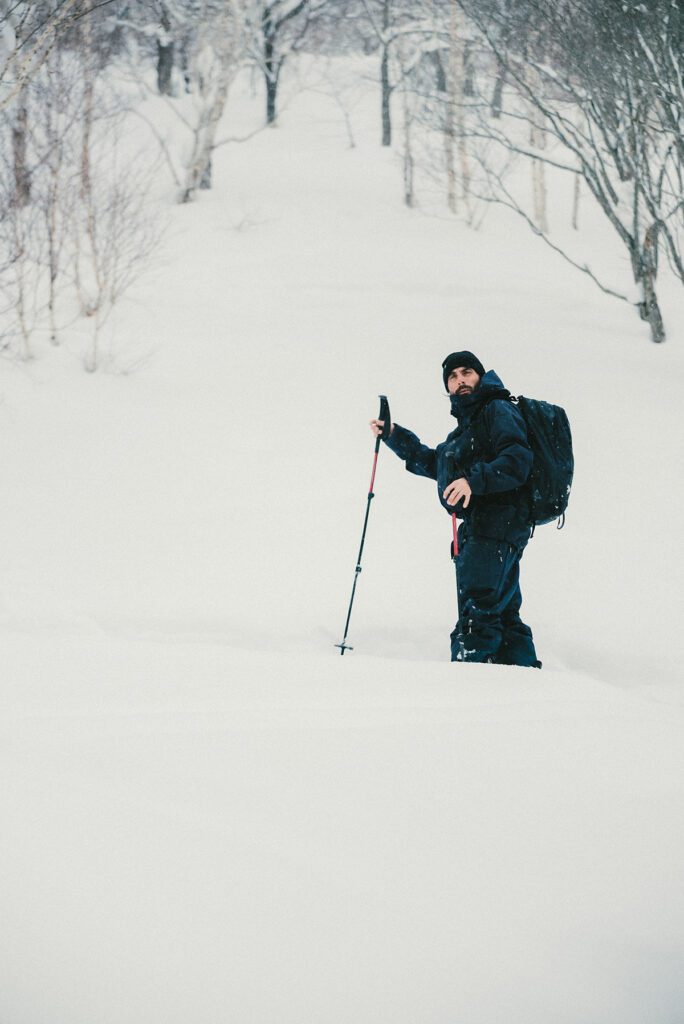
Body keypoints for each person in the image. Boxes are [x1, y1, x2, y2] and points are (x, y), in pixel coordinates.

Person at [370, 351, 541, 667]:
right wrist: (395, 436)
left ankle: (468, 686)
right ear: (447, 387)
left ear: (480, 376)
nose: (460, 380)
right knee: (502, 614)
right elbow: (438, 464)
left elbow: (518, 460)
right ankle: (525, 680)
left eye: (467, 372)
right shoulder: (466, 429)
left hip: (496, 525)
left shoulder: (497, 410)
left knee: (477, 612)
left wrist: (474, 482)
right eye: (453, 376)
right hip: (491, 528)